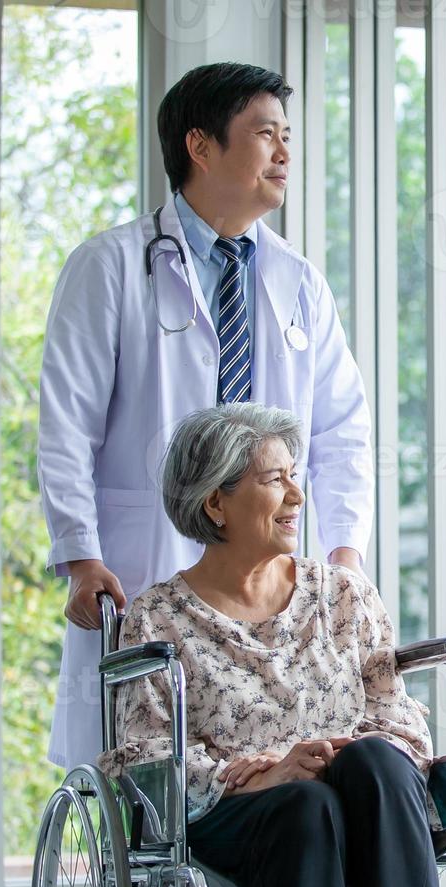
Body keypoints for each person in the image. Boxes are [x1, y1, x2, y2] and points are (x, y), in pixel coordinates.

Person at [38, 62, 373, 768]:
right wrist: (80, 557)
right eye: (265, 135)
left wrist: (344, 553)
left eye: (288, 137)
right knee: (154, 764)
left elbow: (343, 429)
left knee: (286, 765)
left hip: (270, 575)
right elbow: (66, 427)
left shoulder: (298, 281)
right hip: (147, 562)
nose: (284, 153)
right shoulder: (109, 268)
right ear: (200, 146)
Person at [98, 403, 443, 887]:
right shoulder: (159, 619)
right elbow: (151, 757)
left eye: (294, 475)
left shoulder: (342, 595)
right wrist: (266, 775)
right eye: (274, 479)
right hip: (240, 814)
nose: (297, 497)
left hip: (363, 792)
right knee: (303, 805)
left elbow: (400, 721)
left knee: (377, 758)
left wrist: (328, 754)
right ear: (216, 502)